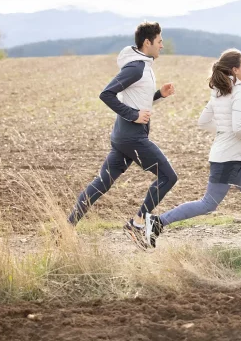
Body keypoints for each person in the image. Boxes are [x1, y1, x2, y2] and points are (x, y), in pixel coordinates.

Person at [140, 48, 241, 249]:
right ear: (235, 70)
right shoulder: (239, 93)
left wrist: (223, 131)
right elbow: (238, 128)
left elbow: (203, 122)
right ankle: (158, 222)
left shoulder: (219, 93)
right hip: (229, 159)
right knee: (208, 204)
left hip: (229, 158)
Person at [67, 21, 177, 247]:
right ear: (148, 42)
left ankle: (66, 228)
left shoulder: (144, 65)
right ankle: (137, 224)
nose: (162, 46)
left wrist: (159, 95)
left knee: (102, 182)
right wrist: (133, 116)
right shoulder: (135, 67)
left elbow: (136, 98)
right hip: (132, 137)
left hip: (124, 137)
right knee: (168, 176)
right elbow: (106, 94)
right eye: (159, 41)